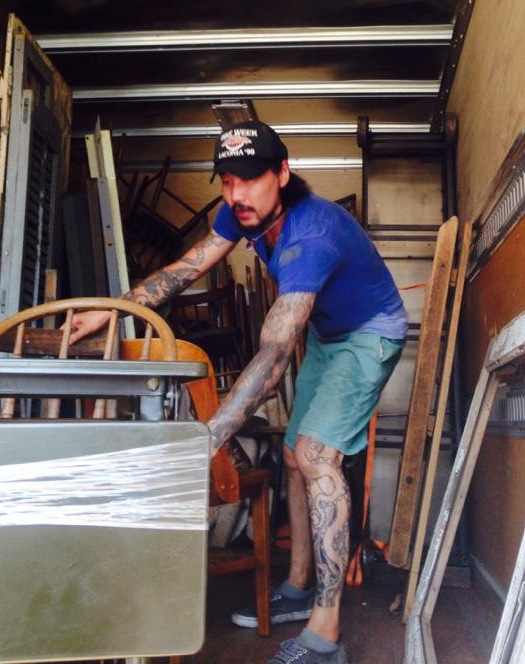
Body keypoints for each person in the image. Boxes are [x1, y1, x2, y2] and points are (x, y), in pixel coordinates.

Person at [70, 120, 407, 664]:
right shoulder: (243, 213)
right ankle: (298, 587)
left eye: (250, 179)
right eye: (227, 180)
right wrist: (111, 311)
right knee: (293, 455)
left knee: (317, 455)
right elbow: (186, 268)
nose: (236, 194)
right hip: (328, 333)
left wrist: (207, 441)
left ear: (283, 173)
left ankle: (325, 637)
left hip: (370, 332)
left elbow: (273, 358)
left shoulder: (311, 235)